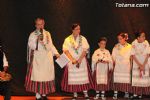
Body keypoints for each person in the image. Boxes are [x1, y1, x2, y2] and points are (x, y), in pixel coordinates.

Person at [25, 18, 60, 100]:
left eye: (41, 24)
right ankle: (37, 94)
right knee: (37, 76)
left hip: (47, 58)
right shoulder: (33, 34)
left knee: (46, 76)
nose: (40, 26)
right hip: (37, 58)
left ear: (44, 24)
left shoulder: (48, 33)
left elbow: (51, 45)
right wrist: (37, 41)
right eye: (38, 24)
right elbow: (30, 45)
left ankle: (44, 94)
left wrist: (56, 53)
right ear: (35, 25)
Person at [61, 23, 93, 100]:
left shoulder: (83, 38)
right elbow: (66, 51)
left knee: (83, 77)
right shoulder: (67, 39)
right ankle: (75, 94)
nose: (78, 30)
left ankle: (85, 93)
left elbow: (85, 50)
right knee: (73, 78)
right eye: (76, 29)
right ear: (72, 30)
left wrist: (80, 59)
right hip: (72, 61)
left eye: (79, 29)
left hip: (81, 60)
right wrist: (72, 60)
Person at [112, 33, 132, 99]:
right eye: (118, 39)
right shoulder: (116, 46)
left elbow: (131, 56)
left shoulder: (130, 46)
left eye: (120, 39)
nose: (119, 40)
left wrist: (131, 65)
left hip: (126, 65)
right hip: (118, 65)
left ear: (124, 38)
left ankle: (126, 93)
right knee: (117, 79)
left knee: (126, 80)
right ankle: (115, 94)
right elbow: (113, 56)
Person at [130, 32, 150, 99]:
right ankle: (135, 94)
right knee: (137, 79)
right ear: (138, 38)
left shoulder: (146, 43)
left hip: (144, 63)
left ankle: (141, 94)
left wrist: (143, 65)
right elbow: (133, 55)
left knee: (142, 79)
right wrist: (139, 65)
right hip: (137, 64)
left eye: (144, 36)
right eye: (143, 36)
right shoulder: (134, 43)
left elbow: (148, 54)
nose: (144, 37)